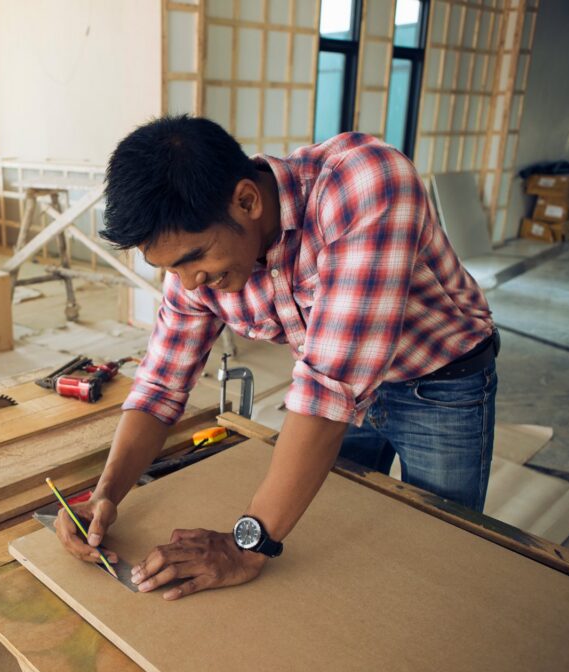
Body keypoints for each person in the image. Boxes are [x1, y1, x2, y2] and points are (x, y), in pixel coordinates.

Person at [57, 115, 498, 602]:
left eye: (193, 259)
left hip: (438, 381)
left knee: (443, 553)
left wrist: (248, 546)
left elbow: (328, 392)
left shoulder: (365, 184)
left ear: (247, 201)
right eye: (168, 268)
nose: (187, 283)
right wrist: (105, 494)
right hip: (338, 391)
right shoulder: (195, 257)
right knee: (346, 538)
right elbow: (160, 385)